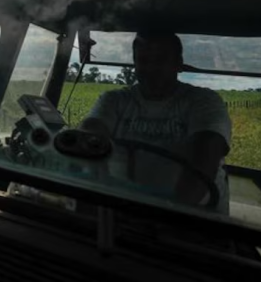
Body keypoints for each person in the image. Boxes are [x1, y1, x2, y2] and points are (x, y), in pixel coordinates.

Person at [80, 31, 232, 213]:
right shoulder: (114, 100)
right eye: (143, 60)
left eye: (160, 60)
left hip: (194, 219)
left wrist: (171, 212)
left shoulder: (204, 101)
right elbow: (90, 134)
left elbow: (206, 154)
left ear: (178, 64)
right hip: (122, 210)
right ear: (134, 64)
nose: (151, 68)